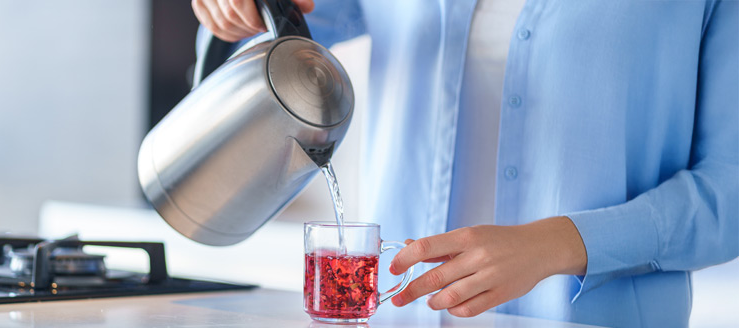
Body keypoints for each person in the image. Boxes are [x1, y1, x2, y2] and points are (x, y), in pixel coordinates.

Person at [191, 0, 738, 327]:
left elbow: (729, 195)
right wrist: (233, 11)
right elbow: (275, 36)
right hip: (395, 316)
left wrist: (559, 242)